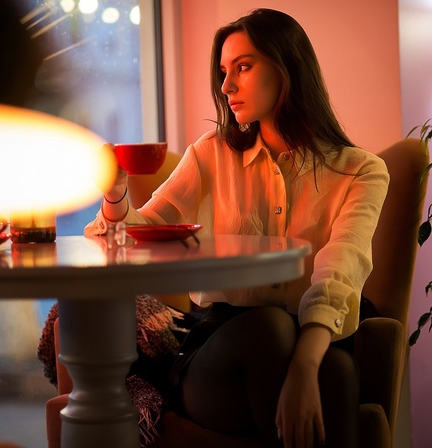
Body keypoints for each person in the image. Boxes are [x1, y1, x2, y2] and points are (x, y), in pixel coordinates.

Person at [85, 8, 389, 448]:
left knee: (334, 367)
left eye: (243, 68)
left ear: (287, 68)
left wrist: (304, 365)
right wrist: (115, 196)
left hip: (315, 341)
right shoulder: (210, 155)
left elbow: (342, 266)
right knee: (269, 328)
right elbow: (138, 234)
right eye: (224, 72)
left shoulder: (360, 171)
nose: (226, 86)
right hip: (220, 354)